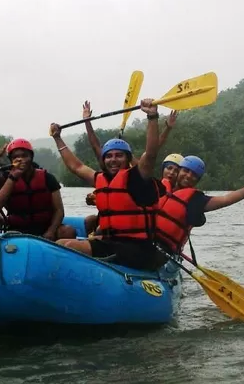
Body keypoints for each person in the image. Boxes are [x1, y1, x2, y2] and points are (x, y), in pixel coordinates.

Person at [52, 98, 168, 271]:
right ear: (104, 160)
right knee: (61, 243)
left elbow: (150, 154)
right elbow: (76, 166)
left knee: (69, 246)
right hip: (112, 243)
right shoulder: (101, 179)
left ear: (128, 159)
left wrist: (152, 117)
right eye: (109, 156)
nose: (113, 160)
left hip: (137, 248)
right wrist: (57, 138)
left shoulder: (138, 176)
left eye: (119, 155)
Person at [154, 155, 244, 256]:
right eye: (186, 171)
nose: (188, 176)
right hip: (144, 242)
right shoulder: (159, 188)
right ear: (178, 171)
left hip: (166, 253)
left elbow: (226, 199)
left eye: (194, 175)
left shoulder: (196, 200)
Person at [1, 139, 76, 240]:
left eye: (24, 156)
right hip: (17, 228)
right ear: (11, 160)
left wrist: (51, 231)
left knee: (68, 231)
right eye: (15, 157)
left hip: (45, 227)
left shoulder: (48, 178)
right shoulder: (7, 180)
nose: (20, 159)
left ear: (31, 157)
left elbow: (59, 210)